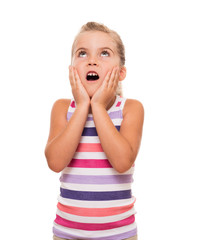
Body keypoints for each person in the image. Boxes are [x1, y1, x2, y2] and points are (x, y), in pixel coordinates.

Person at [45, 22, 144, 240]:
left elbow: (122, 162)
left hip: (120, 234)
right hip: (67, 233)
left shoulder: (130, 109)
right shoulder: (63, 108)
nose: (92, 60)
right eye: (82, 53)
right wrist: (82, 106)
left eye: (104, 53)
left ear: (121, 73)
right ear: (71, 69)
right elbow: (54, 162)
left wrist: (98, 107)